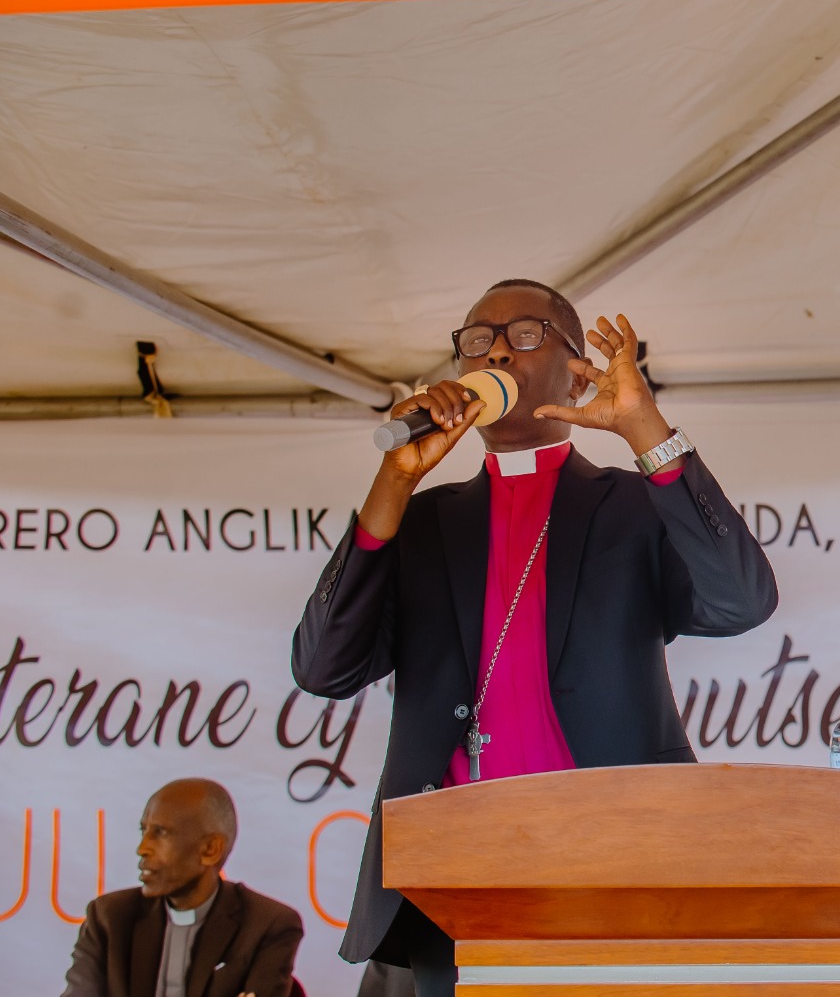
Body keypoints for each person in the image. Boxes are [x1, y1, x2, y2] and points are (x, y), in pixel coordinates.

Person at [292, 279, 778, 996]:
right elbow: (323, 668)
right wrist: (393, 481)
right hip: (454, 876)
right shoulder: (423, 521)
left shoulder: (632, 506)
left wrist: (645, 429)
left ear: (575, 373)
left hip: (617, 865)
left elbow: (743, 601)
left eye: (525, 335)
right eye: (476, 341)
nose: (495, 352)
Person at [61, 778, 303, 997]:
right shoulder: (109, 917)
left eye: (161, 833)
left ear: (210, 850)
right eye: (144, 831)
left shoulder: (268, 925)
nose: (142, 848)